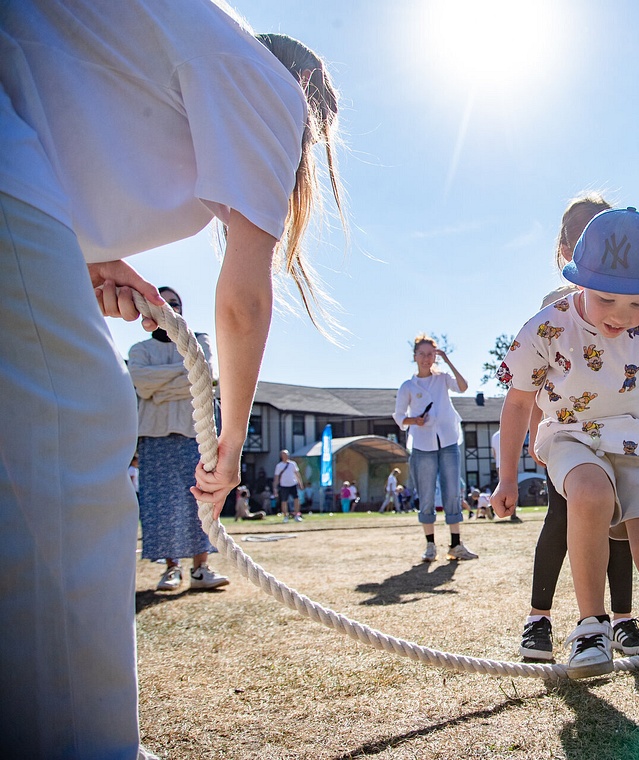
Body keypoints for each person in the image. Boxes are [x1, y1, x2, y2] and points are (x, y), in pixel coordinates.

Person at [0, 2, 343, 755]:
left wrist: (89, 254)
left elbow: (54, 107)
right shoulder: (267, 86)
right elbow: (245, 301)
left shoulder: (170, 46)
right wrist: (226, 442)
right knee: (75, 422)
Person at [492, 207, 639, 723]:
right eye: (605, 297)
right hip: (572, 435)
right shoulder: (546, 326)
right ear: (578, 277)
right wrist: (504, 477)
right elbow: (518, 402)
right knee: (589, 494)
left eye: (638, 301)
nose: (620, 313)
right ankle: (591, 624)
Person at [509, 194, 639, 664]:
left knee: (621, 520)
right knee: (562, 516)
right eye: (585, 237)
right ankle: (539, 618)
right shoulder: (555, 307)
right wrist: (536, 433)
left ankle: (624, 620)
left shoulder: (633, 299)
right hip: (567, 434)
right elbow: (533, 379)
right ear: (567, 249)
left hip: (623, 432)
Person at [129, 286, 229, 592]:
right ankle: (171, 568)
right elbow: (141, 384)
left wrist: (159, 385)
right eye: (161, 303)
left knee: (199, 500)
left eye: (175, 303)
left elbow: (205, 373)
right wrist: (182, 376)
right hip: (154, 436)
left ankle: (201, 567)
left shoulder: (199, 341)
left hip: (196, 435)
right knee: (161, 503)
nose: (169, 307)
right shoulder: (139, 350)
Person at [394, 335, 478, 562]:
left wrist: (448, 361)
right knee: (427, 494)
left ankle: (455, 544)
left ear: (436, 356)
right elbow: (399, 416)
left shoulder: (442, 378)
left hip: (448, 440)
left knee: (452, 491)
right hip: (422, 445)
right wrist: (415, 421)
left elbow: (463, 387)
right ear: (414, 357)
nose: (425, 358)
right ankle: (430, 545)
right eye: (421, 354)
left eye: (430, 354)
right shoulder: (408, 386)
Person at [275, 449, 306, 522]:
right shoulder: (279, 466)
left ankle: (296, 515)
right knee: (284, 501)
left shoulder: (292, 464)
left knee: (296, 499)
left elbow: (297, 474)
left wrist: (300, 483)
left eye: (286, 455)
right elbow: (276, 477)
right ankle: (286, 516)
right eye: (284, 455)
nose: (285, 456)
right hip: (284, 485)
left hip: (293, 484)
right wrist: (275, 487)